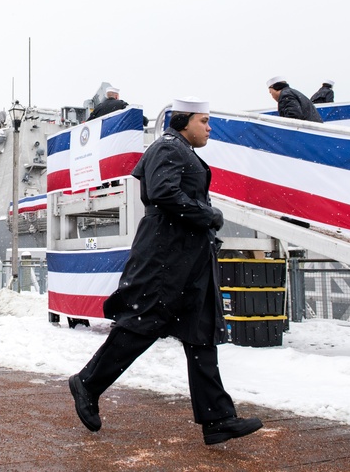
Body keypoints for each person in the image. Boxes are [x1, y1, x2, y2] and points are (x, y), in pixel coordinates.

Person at [68, 97, 263, 446]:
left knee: (201, 334)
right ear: (184, 120)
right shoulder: (168, 148)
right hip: (166, 258)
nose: (209, 127)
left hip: (189, 260)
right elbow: (162, 194)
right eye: (204, 121)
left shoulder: (180, 150)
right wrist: (209, 215)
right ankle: (88, 382)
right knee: (143, 324)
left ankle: (218, 420)